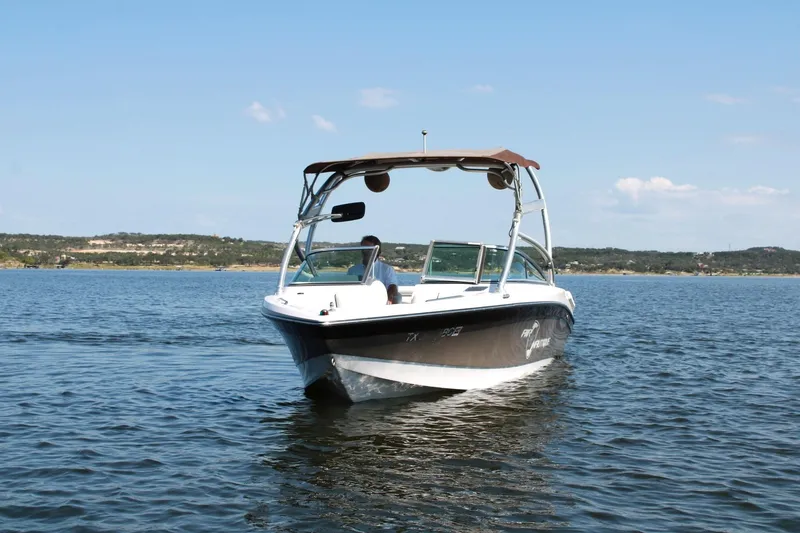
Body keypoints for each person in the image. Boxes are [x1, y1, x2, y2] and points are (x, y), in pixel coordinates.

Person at [347, 235, 400, 304]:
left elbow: (392, 286)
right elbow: (347, 289)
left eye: (369, 249)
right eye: (363, 248)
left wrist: (388, 299)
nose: (365, 251)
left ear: (377, 252)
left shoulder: (387, 270)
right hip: (357, 303)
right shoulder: (352, 270)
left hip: (379, 304)